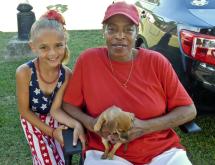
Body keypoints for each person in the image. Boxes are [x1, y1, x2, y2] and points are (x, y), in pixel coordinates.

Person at [61, 1, 197, 165]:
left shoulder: (156, 62)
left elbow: (188, 110)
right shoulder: (88, 60)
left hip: (162, 152)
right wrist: (91, 124)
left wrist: (145, 127)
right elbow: (68, 104)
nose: (120, 35)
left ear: (136, 32)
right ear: (103, 31)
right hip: (107, 152)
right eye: (112, 29)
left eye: (128, 29)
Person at [16, 10, 85, 165]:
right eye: (44, 47)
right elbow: (24, 111)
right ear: (33, 46)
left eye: (58, 45)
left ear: (65, 43)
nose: (52, 53)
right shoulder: (24, 72)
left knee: (61, 157)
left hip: (55, 118)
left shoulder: (66, 74)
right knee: (48, 161)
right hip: (33, 121)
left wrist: (76, 124)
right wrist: (53, 133)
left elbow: (55, 110)